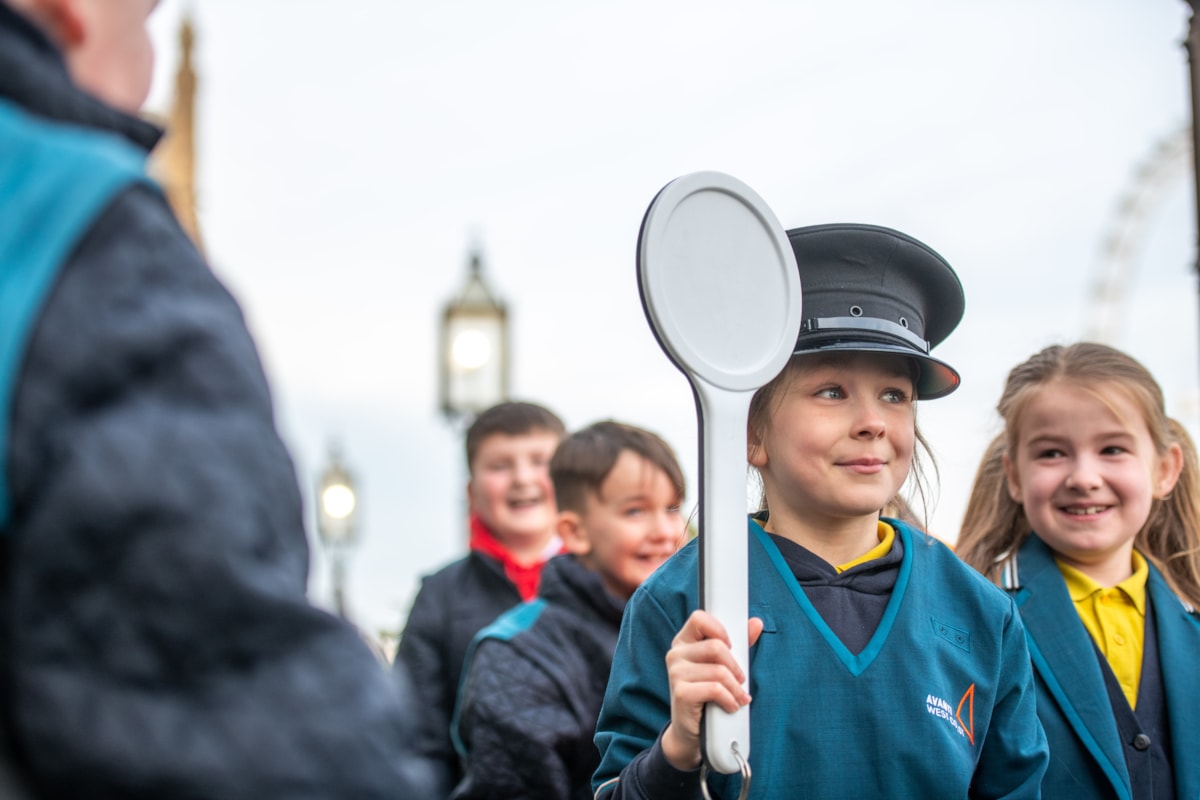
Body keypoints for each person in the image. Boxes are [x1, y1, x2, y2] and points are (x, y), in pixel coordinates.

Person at [0, 1, 431, 797]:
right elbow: (254, 728)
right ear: (71, 15)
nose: (150, 85)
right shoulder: (76, 226)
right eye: (145, 27)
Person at [592, 223, 1048, 799]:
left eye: (894, 395)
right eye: (832, 391)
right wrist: (677, 752)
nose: (873, 421)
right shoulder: (680, 601)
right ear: (751, 432)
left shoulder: (983, 615)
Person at [956, 342, 1200, 799]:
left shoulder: (1193, 617)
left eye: (1112, 449)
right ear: (1014, 475)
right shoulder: (974, 617)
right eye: (1052, 453)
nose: (1084, 477)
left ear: (1165, 469)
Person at [449, 420, 687, 800]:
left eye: (672, 507)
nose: (664, 531)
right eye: (635, 511)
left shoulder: (694, 623)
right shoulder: (518, 654)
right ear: (574, 532)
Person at [396, 400, 567, 797]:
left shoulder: (604, 582)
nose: (523, 478)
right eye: (500, 466)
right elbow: (419, 737)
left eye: (540, 460)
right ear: (472, 491)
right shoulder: (440, 595)